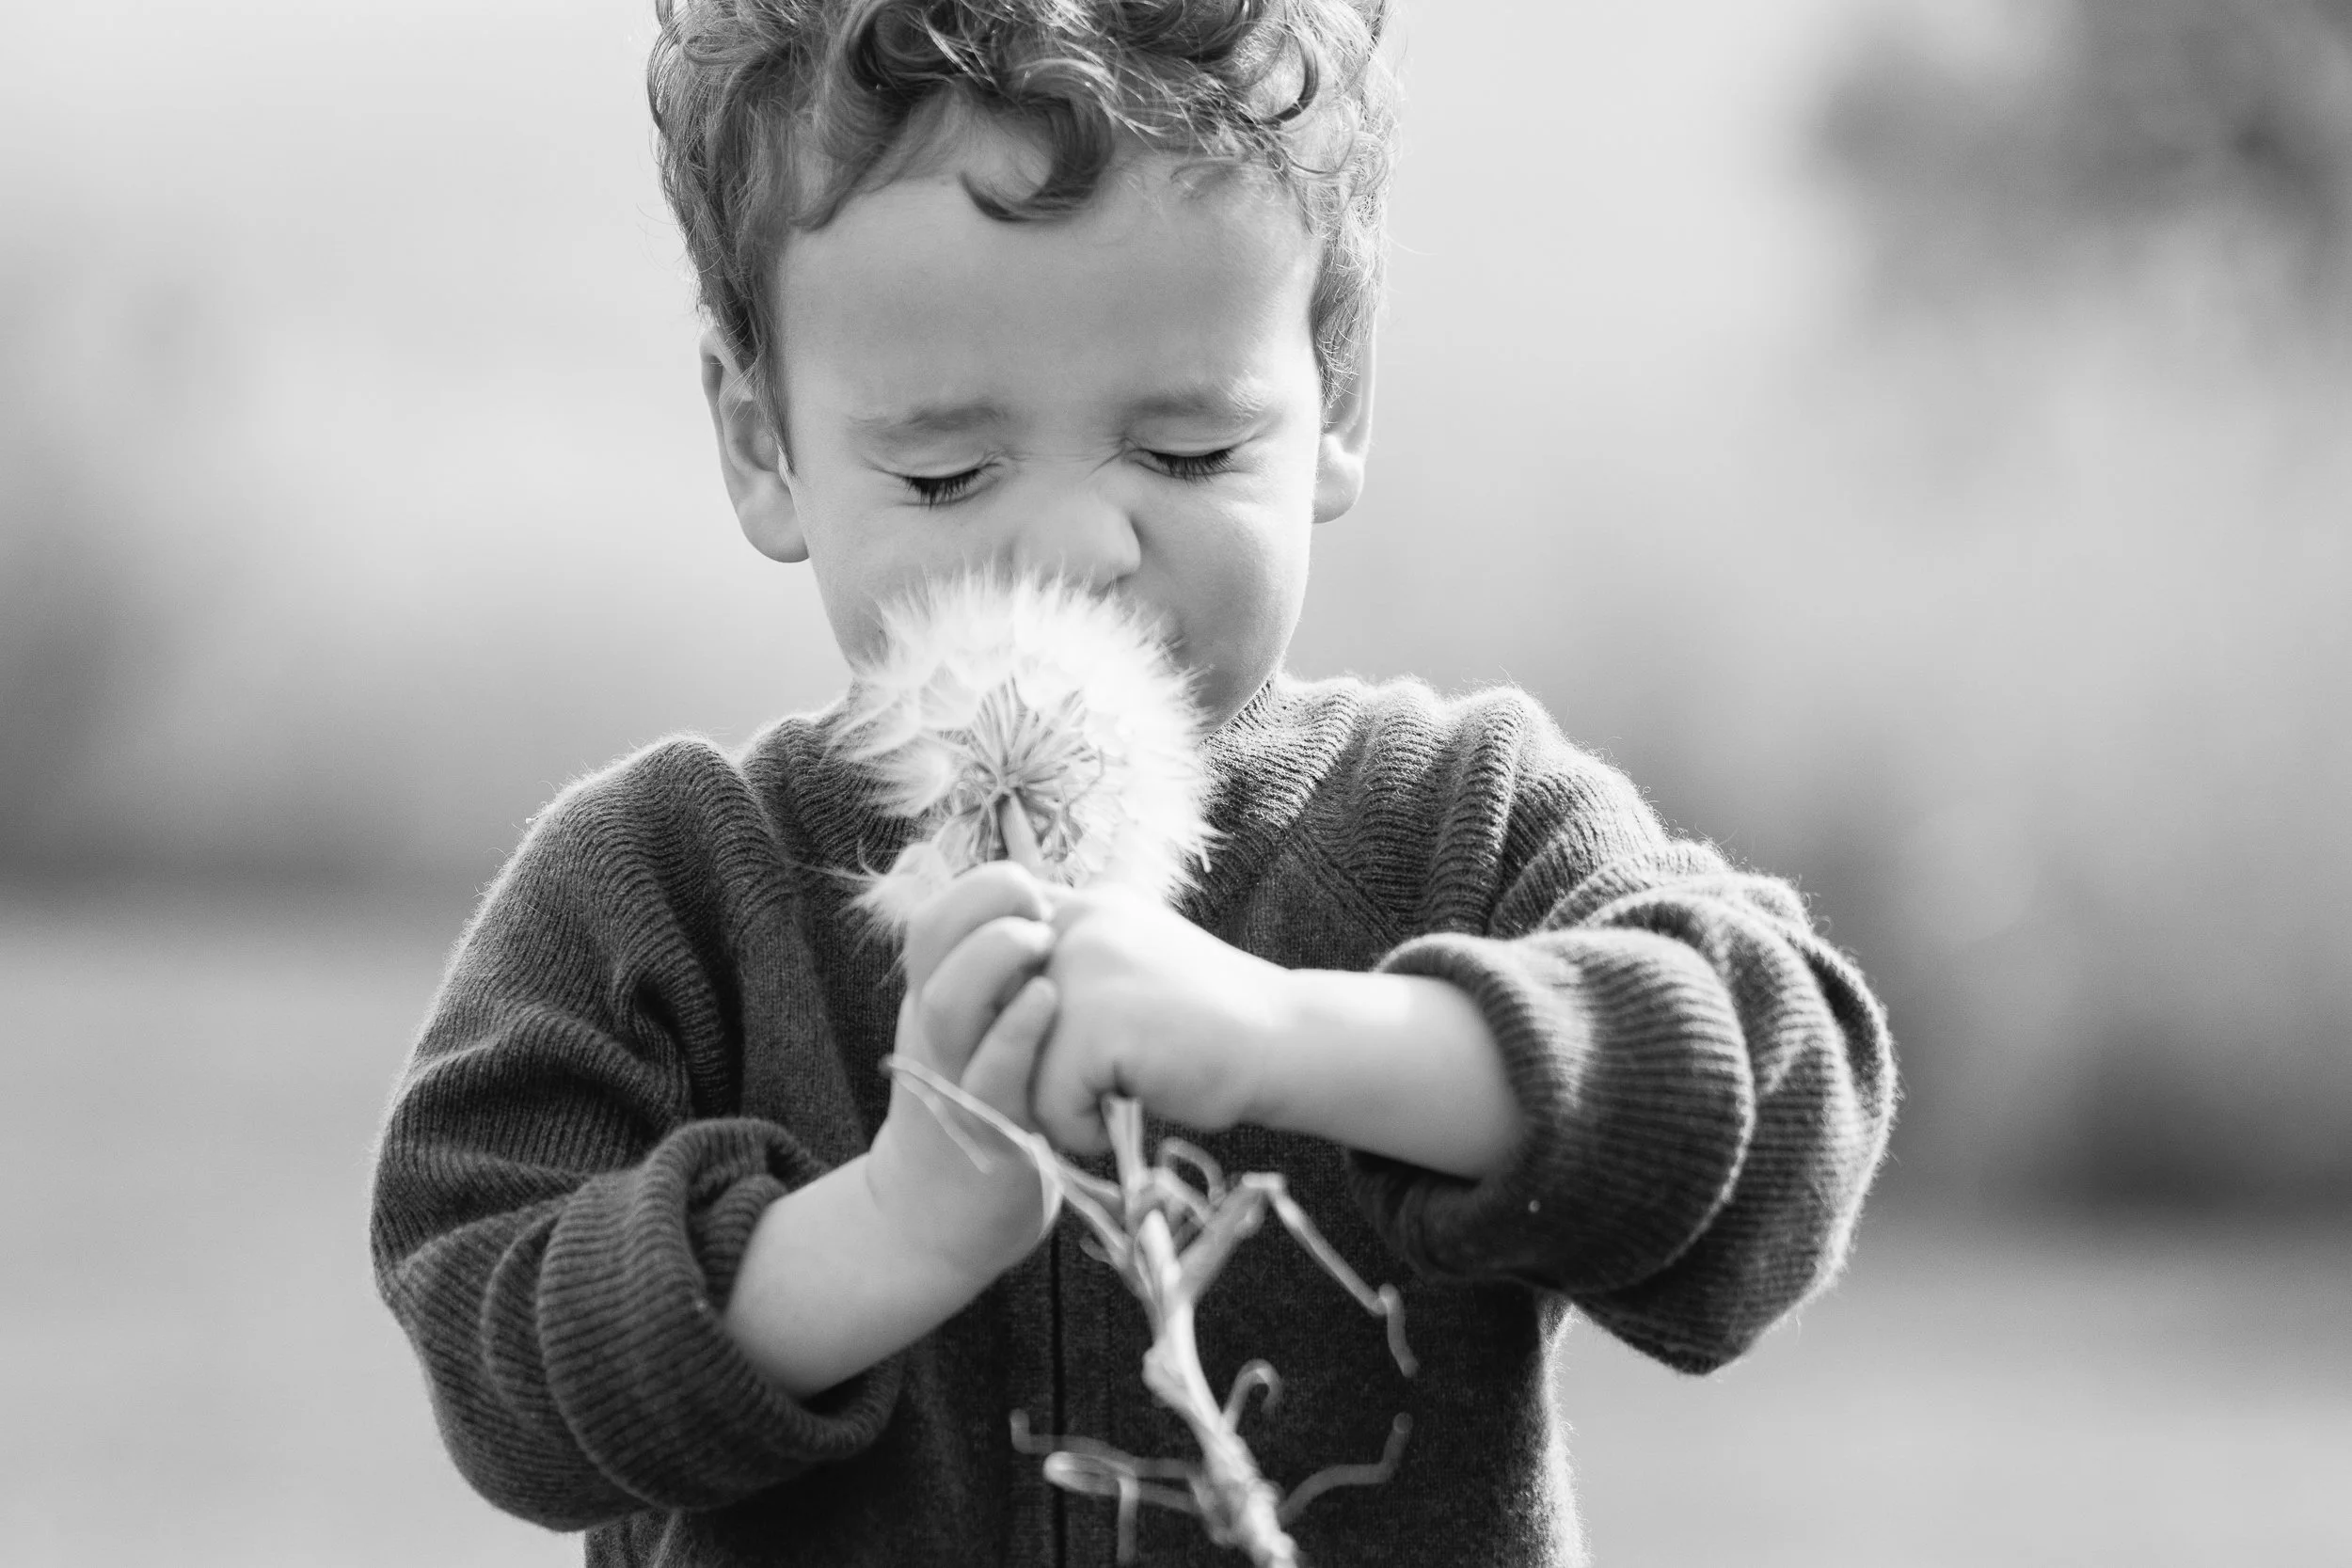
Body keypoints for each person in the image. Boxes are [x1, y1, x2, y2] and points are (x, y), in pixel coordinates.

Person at [369, 3, 1897, 1564]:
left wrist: (1297, 1041)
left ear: (1335, 398)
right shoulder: (671, 891)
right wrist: (888, 1228)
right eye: (947, 474)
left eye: (1182, 450)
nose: (1077, 544)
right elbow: (494, 1330)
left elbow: (1783, 1112)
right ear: (764, 441)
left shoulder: (1460, 822)